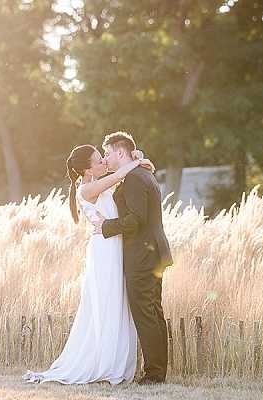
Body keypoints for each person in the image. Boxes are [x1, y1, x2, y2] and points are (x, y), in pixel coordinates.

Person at [22, 143, 154, 384]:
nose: (104, 161)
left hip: (114, 246)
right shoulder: (87, 190)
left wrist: (137, 157)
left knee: (116, 303)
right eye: (98, 160)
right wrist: (136, 162)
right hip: (105, 252)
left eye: (103, 158)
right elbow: (119, 174)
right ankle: (102, 363)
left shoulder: (97, 185)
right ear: (89, 170)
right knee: (106, 303)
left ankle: (113, 362)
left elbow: (120, 178)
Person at [92, 131, 173, 384]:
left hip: (143, 256)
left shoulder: (136, 179)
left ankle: (154, 374)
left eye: (107, 153)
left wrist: (107, 226)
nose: (105, 157)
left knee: (145, 313)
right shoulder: (142, 173)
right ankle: (157, 371)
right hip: (153, 253)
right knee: (153, 312)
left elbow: (136, 220)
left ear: (120, 152)